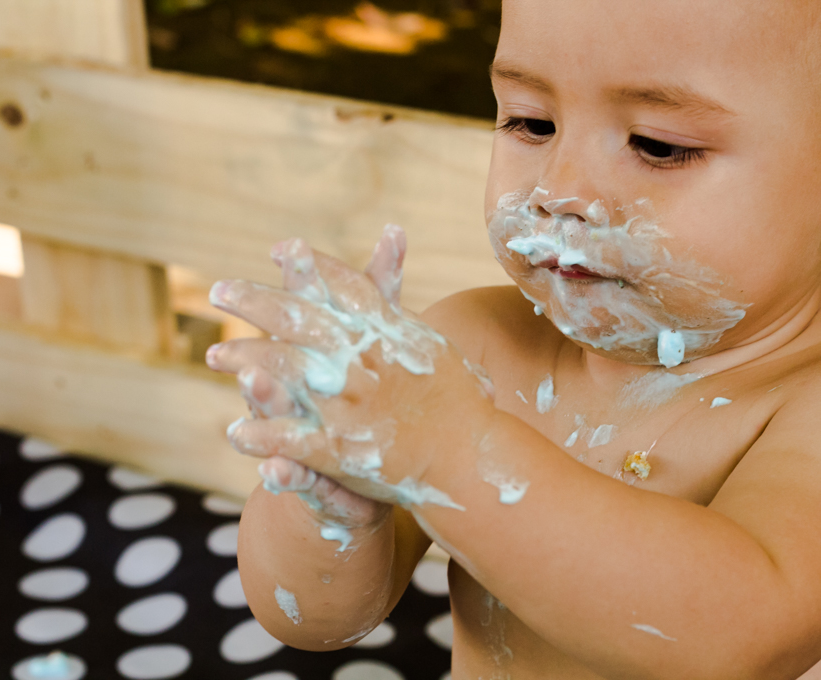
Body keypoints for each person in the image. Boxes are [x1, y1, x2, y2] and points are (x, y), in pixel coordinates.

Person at [204, 0, 821, 677]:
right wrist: (332, 507)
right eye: (532, 122)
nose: (558, 190)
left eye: (658, 145)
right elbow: (313, 620)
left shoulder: (803, 407)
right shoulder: (471, 349)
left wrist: (453, 452)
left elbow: (745, 635)